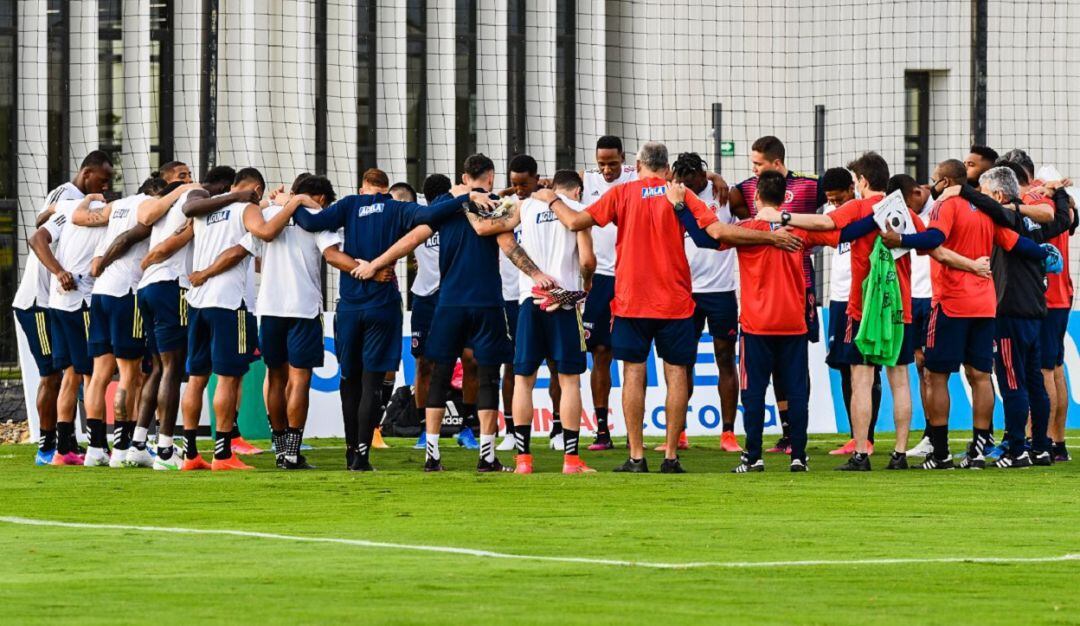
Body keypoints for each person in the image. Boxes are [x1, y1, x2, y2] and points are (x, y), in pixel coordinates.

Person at [543, 142, 801, 473]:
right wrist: (771, 237)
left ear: (637, 166)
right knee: (676, 372)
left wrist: (549, 197)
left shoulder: (622, 194)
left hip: (632, 300)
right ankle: (670, 456)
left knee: (633, 372)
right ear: (667, 169)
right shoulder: (681, 195)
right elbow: (718, 232)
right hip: (675, 301)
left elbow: (577, 221)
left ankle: (636, 456)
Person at [358, 154, 553, 473]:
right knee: (488, 376)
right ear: (490, 176)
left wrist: (376, 264)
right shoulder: (495, 205)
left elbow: (411, 239)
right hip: (487, 302)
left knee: (439, 374)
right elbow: (508, 246)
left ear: (464, 177)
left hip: (447, 303)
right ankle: (487, 457)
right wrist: (537, 275)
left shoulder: (445, 206)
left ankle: (432, 455)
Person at [293, 167, 492, 471]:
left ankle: (350, 452)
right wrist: (468, 197)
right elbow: (433, 214)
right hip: (383, 305)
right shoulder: (396, 208)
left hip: (350, 304)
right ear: (385, 190)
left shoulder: (348, 205)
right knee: (373, 382)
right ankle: (362, 455)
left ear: (363, 188)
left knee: (350, 381)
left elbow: (309, 221)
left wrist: (294, 200)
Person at [680, 170, 865, 472]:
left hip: (756, 326)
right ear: (784, 199)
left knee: (753, 391)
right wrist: (873, 210)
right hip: (793, 323)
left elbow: (705, 237)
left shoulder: (745, 229)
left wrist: (683, 204)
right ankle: (799, 456)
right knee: (796, 390)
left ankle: (753, 457)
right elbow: (844, 233)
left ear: (755, 197)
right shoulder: (800, 231)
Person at [758, 152, 928, 470]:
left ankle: (861, 452)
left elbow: (825, 223)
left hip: (861, 308)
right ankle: (900, 454)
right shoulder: (901, 210)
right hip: (898, 309)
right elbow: (927, 241)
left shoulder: (859, 207)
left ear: (862, 181)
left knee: (861, 380)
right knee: (900, 380)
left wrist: (781, 217)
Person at [882, 158, 1049, 469]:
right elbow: (1014, 243)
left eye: (935, 179)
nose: (931, 185)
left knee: (936, 376)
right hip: (985, 305)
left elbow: (934, 240)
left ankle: (942, 452)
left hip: (951, 303)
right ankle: (978, 450)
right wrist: (1043, 254)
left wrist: (901, 239)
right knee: (980, 376)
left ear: (946, 182)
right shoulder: (986, 209)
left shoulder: (946, 207)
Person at [936, 168, 1071, 466]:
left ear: (997, 196)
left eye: (984, 194)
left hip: (1009, 310)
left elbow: (993, 208)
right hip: (1036, 311)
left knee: (1012, 383)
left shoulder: (1005, 218)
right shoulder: (1033, 222)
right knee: (1035, 382)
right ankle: (1040, 447)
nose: (981, 201)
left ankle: (1017, 449)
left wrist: (962, 190)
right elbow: (1063, 219)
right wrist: (1057, 192)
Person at [727, 135, 825, 454]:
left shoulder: (810, 186)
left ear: (777, 163)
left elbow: (714, 233)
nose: (752, 170)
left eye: (757, 164)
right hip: (785, 306)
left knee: (775, 379)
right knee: (792, 374)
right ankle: (795, 446)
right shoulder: (745, 191)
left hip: (795, 296)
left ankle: (758, 451)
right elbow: (835, 228)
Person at [14, 150, 113, 465]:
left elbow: (44, 220)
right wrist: (59, 271)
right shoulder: (70, 195)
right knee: (54, 374)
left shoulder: (73, 204)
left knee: (69, 371)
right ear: (86, 174)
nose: (106, 187)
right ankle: (47, 446)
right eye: (103, 179)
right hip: (39, 301)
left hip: (56, 300)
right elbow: (38, 232)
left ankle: (65, 444)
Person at [179, 167, 279, 471]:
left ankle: (190, 453)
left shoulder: (205, 211)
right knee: (228, 377)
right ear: (256, 189)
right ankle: (222, 454)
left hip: (198, 302)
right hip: (229, 302)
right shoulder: (246, 208)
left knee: (196, 379)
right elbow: (240, 249)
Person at [137, 166, 236, 470]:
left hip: (147, 287)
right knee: (173, 368)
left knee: (157, 368)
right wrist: (152, 257)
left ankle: (138, 444)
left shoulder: (163, 203)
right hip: (172, 286)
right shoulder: (195, 200)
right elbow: (176, 241)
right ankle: (166, 451)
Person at [256, 174, 346, 469]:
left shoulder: (270, 213)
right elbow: (332, 255)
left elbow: (254, 251)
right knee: (299, 380)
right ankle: (293, 451)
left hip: (269, 306)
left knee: (275, 377)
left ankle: (280, 448)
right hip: (304, 308)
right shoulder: (319, 216)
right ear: (321, 198)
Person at [512, 171, 596, 474]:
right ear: (577, 191)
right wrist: (586, 286)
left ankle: (523, 460)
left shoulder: (526, 206)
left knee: (524, 380)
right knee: (569, 380)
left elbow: (500, 231)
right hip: (563, 303)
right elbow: (587, 261)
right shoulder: (577, 213)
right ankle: (571, 461)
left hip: (530, 299)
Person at [84, 176, 170, 469]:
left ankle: (95, 448)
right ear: (155, 193)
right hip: (126, 294)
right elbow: (125, 241)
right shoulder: (149, 206)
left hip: (101, 294)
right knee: (129, 374)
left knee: (99, 374)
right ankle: (121, 448)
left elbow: (85, 218)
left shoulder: (117, 206)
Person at [670, 152, 741, 453]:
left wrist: (715, 177)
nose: (687, 186)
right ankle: (680, 432)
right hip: (684, 290)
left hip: (721, 291)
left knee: (725, 358)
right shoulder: (673, 195)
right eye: (682, 182)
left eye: (694, 181)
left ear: (702, 174)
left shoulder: (724, 194)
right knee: (682, 362)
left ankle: (727, 433)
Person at [819, 167, 883, 457]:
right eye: (830, 199)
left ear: (853, 187)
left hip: (862, 296)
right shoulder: (834, 214)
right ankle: (855, 435)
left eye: (838, 197)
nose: (834, 203)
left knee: (866, 367)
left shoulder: (864, 211)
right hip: (838, 298)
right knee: (845, 366)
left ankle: (866, 438)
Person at [581, 135, 634, 450]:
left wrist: (713, 176)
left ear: (623, 159)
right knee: (600, 354)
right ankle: (602, 431)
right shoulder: (587, 181)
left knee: (632, 358)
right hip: (600, 279)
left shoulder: (638, 178)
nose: (607, 169)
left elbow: (676, 177)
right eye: (602, 163)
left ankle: (633, 433)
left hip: (631, 277)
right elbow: (549, 186)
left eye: (612, 163)